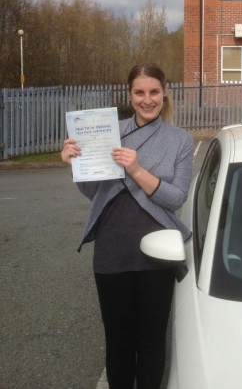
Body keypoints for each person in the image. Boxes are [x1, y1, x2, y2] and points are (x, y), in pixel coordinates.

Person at [61, 62, 194, 389]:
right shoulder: (109, 131)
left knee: (151, 342)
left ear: (165, 92)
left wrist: (135, 169)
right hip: (112, 251)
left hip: (158, 254)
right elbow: (96, 192)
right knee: (119, 343)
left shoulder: (180, 140)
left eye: (154, 92)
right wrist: (78, 165)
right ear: (129, 94)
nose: (147, 100)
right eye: (139, 92)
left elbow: (176, 198)